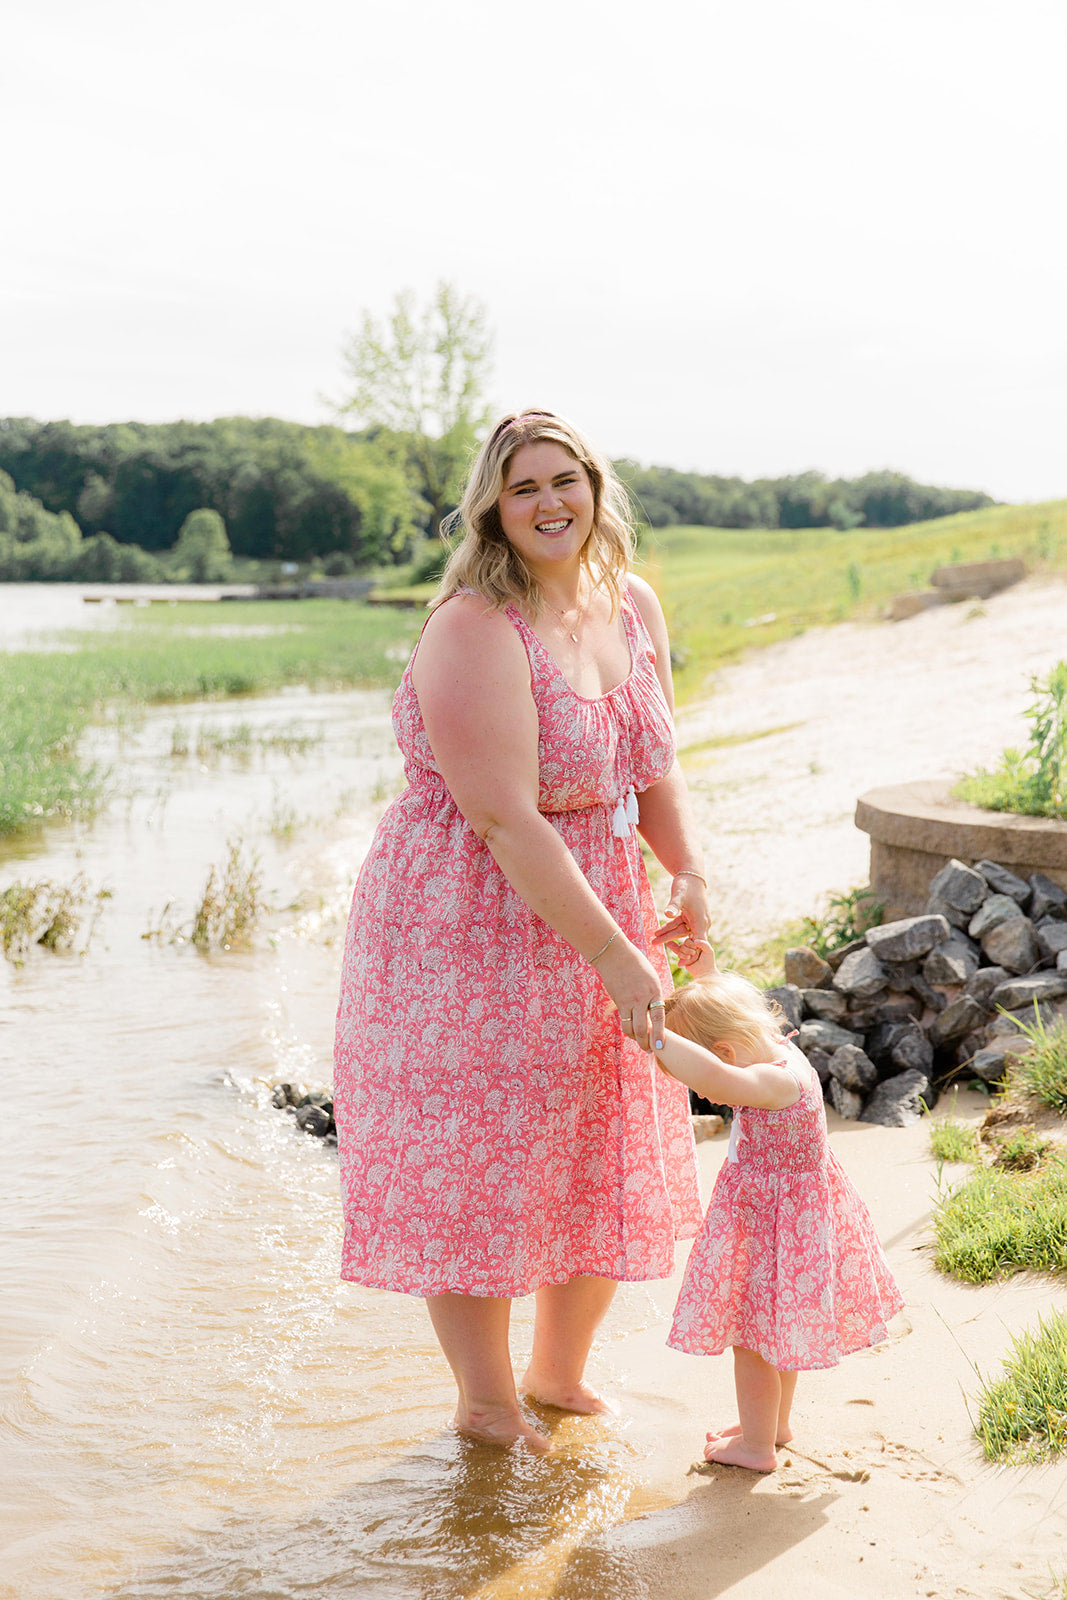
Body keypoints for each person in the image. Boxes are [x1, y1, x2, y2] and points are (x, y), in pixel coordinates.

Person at [333, 409, 708, 1453]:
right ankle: (487, 1403)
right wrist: (615, 953)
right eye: (522, 487)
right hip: (465, 916)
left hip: (593, 892)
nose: (548, 503)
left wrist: (687, 875)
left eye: (563, 480)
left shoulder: (628, 602)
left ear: (594, 487)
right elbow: (500, 816)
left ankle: (557, 1373)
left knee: (599, 1130)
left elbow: (652, 760)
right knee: (479, 1158)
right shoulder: (473, 625)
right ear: (492, 509)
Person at [632, 936, 903, 1473]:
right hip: (796, 1219)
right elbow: (727, 1024)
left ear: (727, 1054)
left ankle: (756, 1446)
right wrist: (705, 973)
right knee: (775, 1328)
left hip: (769, 1224)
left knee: (752, 1337)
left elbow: (714, 1075)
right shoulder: (784, 1050)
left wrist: (654, 1038)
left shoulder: (768, 1081)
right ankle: (772, 1424)